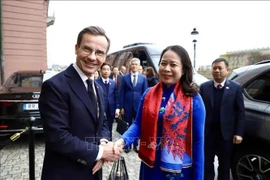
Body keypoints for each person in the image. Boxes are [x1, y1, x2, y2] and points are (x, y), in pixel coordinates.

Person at [39, 26, 122, 180]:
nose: (92, 57)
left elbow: (102, 122)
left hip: (93, 171)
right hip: (66, 173)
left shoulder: (97, 87)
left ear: (105, 57)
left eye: (99, 53)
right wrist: (101, 153)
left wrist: (103, 143)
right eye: (87, 49)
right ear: (76, 49)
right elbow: (58, 137)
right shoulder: (55, 86)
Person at [115, 45, 206, 180]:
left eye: (173, 65)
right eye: (163, 63)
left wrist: (198, 177)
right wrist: (122, 141)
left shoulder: (193, 99)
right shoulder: (148, 94)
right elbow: (138, 125)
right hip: (151, 165)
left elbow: (198, 142)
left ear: (184, 69)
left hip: (180, 170)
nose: (167, 68)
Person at [200, 58, 245, 180]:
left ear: (227, 70)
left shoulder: (236, 88)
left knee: (225, 166)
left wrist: (238, 133)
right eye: (214, 68)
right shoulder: (204, 87)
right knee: (206, 165)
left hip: (226, 135)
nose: (217, 71)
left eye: (220, 68)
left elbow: (240, 111)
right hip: (208, 134)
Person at [119, 58, 148, 153]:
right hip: (127, 106)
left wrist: (145, 106)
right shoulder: (125, 77)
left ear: (139, 66)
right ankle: (127, 145)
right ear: (130, 65)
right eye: (132, 64)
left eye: (136, 64)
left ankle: (136, 145)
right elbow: (121, 93)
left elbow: (145, 93)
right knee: (127, 125)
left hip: (139, 106)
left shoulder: (143, 78)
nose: (134, 66)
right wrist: (121, 106)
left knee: (138, 125)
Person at [96, 63, 120, 141]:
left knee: (109, 126)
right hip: (100, 109)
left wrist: (117, 108)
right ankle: (100, 142)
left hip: (110, 109)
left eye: (108, 69)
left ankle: (109, 141)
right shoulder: (96, 82)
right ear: (100, 71)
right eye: (104, 69)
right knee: (100, 127)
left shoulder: (113, 83)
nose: (106, 71)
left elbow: (116, 96)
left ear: (110, 71)